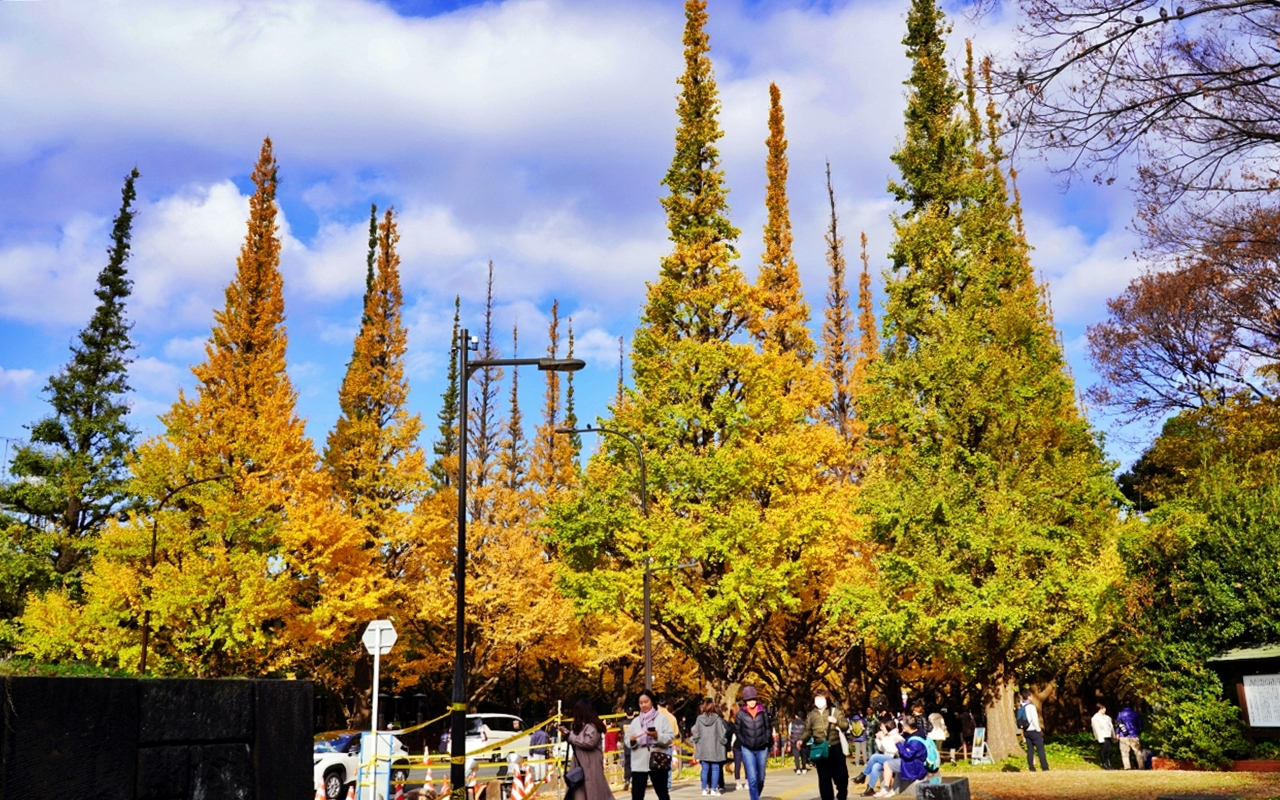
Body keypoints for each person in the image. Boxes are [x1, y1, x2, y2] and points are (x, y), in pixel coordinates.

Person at [801, 689, 851, 800]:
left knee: (841, 776)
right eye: (817, 698)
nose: (819, 701)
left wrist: (835, 721)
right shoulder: (811, 715)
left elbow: (845, 726)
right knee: (824, 778)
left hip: (835, 747)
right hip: (820, 749)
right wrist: (801, 740)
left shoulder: (835, 711)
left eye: (822, 698)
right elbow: (807, 731)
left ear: (827, 699)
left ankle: (842, 793)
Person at [628, 690, 675, 800]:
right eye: (641, 703)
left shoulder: (661, 718)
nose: (643, 705)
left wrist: (657, 736)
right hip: (639, 762)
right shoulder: (635, 721)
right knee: (637, 795)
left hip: (657, 760)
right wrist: (632, 740)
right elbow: (627, 739)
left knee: (662, 793)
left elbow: (670, 737)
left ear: (652, 702)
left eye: (646, 701)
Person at [563, 698, 611, 800]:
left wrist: (570, 736)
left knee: (592, 793)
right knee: (587, 793)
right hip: (584, 766)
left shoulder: (591, 727)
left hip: (589, 766)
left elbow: (589, 742)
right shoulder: (585, 726)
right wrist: (569, 735)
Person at [873, 719, 927, 799]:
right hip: (915, 762)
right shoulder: (916, 733)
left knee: (887, 764)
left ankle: (886, 788)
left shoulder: (915, 741)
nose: (902, 727)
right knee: (880, 763)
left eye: (903, 725)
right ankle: (888, 788)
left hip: (915, 766)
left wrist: (898, 744)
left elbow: (907, 755)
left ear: (908, 726)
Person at [734, 686, 772, 800]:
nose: (752, 702)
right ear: (745, 701)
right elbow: (737, 730)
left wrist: (766, 739)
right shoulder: (741, 714)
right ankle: (754, 798)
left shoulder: (763, 711)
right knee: (752, 778)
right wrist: (744, 741)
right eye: (749, 700)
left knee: (760, 777)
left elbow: (768, 727)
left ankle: (756, 795)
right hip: (747, 749)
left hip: (762, 748)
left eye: (753, 699)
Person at [691, 698, 730, 796]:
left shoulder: (699, 719)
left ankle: (704, 789)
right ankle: (713, 789)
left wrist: (694, 741)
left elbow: (696, 734)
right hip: (716, 748)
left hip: (703, 748)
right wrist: (725, 742)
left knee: (704, 769)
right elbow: (721, 735)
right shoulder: (717, 719)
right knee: (715, 768)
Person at [855, 720, 902, 796]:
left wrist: (883, 738)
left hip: (895, 759)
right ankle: (870, 788)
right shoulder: (888, 735)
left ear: (888, 726)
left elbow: (891, 750)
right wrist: (878, 739)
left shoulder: (896, 736)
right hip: (888, 758)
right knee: (875, 766)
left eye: (882, 726)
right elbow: (882, 749)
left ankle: (863, 775)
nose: (880, 728)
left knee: (874, 756)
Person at [1019, 690, 1048, 772]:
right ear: (1028, 696)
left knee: (1030, 750)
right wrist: (1039, 730)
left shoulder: (1021, 706)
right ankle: (1044, 767)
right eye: (1031, 696)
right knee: (1040, 749)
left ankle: (1031, 767)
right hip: (1033, 730)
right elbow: (1035, 720)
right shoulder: (1031, 707)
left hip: (1026, 731)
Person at [1116, 702, 1143, 770]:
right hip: (1134, 735)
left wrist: (1117, 733)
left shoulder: (1120, 714)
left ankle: (1127, 767)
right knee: (1138, 752)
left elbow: (1118, 724)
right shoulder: (1136, 714)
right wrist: (1138, 732)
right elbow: (1140, 725)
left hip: (1124, 735)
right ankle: (1141, 766)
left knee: (1125, 752)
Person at [1091, 703, 1115, 770]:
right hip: (1102, 735)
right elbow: (1096, 728)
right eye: (1102, 708)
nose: (1104, 709)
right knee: (1103, 750)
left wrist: (1113, 736)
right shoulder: (1095, 718)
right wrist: (1099, 737)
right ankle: (1104, 764)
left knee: (1108, 750)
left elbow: (1111, 727)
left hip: (1108, 735)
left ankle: (1109, 763)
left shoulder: (1107, 717)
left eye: (1104, 708)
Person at [729, 703, 743, 789]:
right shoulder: (742, 719)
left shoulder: (730, 722)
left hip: (736, 745)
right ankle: (748, 782)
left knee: (737, 764)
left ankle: (737, 783)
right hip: (744, 744)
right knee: (746, 764)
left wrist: (729, 748)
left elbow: (731, 736)